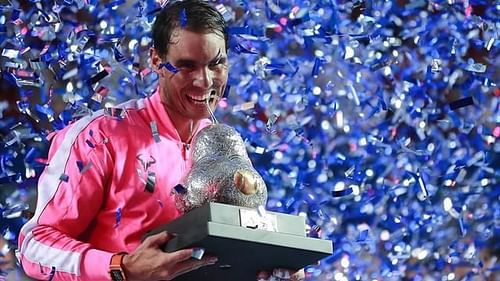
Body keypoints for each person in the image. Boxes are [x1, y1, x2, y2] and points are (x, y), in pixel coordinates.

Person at [18, 1, 226, 280]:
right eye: (186, 66)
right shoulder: (99, 136)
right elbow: (34, 245)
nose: (205, 81)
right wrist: (120, 267)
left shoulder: (226, 147)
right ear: (156, 61)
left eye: (216, 64)